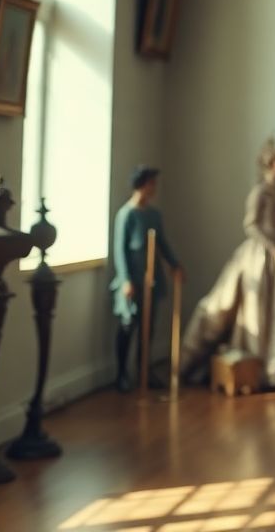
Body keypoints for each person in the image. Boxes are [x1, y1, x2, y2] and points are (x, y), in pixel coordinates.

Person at [179, 139, 275, 388]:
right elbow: (250, 225)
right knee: (256, 307)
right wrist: (274, 249)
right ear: (270, 164)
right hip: (262, 255)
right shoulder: (260, 193)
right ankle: (254, 366)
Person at [110, 165, 183, 392]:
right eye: (151, 183)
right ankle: (121, 374)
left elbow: (162, 243)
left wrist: (174, 265)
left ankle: (144, 370)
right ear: (142, 185)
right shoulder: (126, 215)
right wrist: (126, 280)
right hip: (133, 280)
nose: (154, 188)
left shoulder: (154, 215)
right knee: (128, 325)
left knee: (147, 328)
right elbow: (120, 249)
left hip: (152, 279)